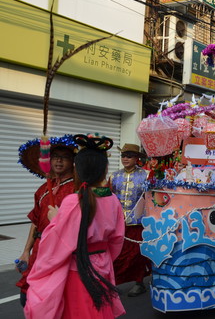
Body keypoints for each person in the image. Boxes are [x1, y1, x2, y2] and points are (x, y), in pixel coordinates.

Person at [25, 134, 125, 318]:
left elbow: (59, 243)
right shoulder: (112, 199)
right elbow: (117, 240)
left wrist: (55, 219)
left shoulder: (73, 200)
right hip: (102, 265)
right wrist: (102, 256)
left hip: (77, 270)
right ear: (104, 170)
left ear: (77, 169)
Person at [16, 137, 78, 307]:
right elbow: (35, 221)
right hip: (39, 247)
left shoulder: (77, 189)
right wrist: (26, 252)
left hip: (60, 250)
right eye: (55, 156)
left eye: (64, 156)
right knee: (27, 297)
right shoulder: (43, 189)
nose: (58, 160)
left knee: (54, 299)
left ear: (73, 161)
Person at [110, 143, 150, 296]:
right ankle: (113, 283)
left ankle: (139, 283)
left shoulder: (146, 175)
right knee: (116, 254)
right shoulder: (114, 176)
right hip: (118, 222)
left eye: (129, 156)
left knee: (137, 255)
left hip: (139, 223)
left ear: (136, 158)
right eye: (123, 156)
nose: (125, 158)